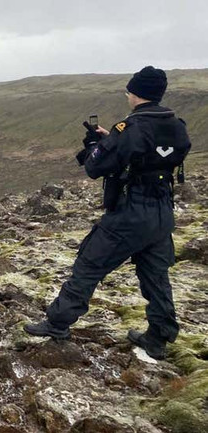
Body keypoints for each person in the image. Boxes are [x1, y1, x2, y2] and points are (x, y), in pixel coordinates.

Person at [25, 66, 191, 360]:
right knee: (156, 276)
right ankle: (159, 337)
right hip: (162, 213)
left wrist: (97, 145)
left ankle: (57, 323)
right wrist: (112, 141)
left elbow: (95, 167)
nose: (127, 95)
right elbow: (153, 155)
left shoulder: (129, 128)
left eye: (129, 91)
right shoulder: (176, 125)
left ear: (135, 93)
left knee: (89, 264)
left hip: (130, 214)